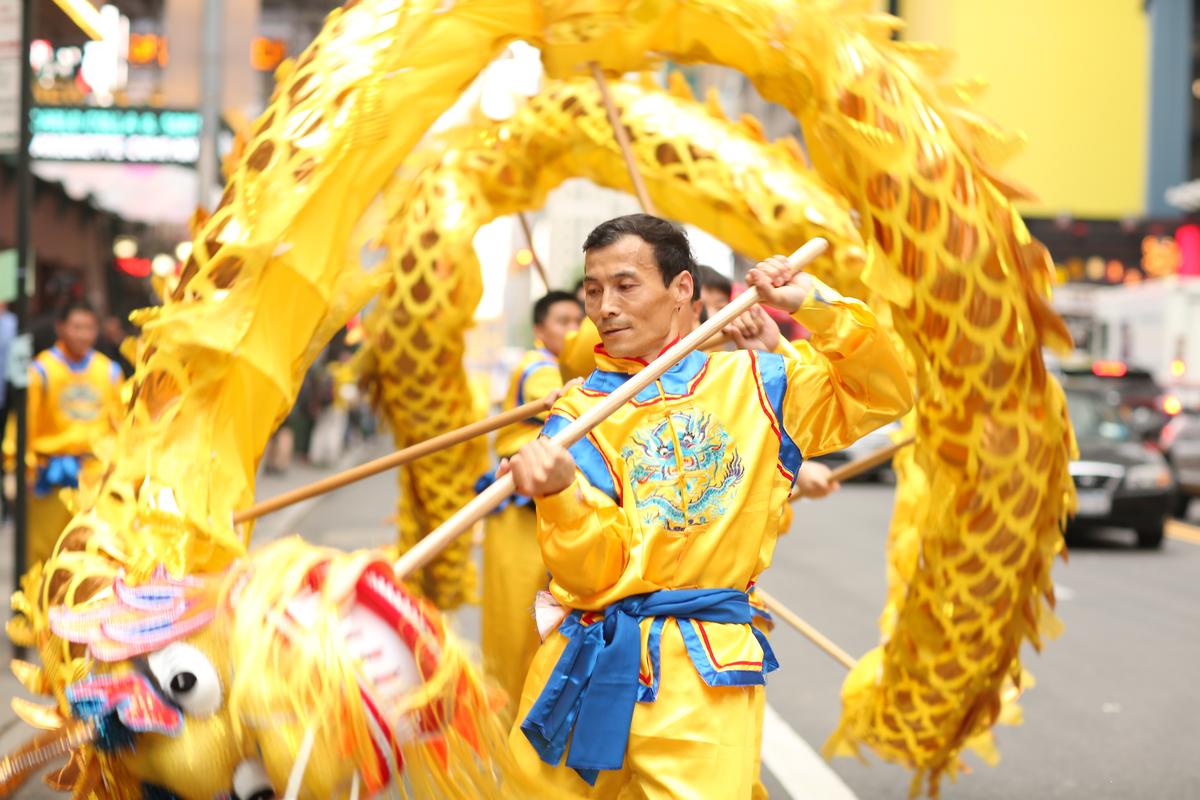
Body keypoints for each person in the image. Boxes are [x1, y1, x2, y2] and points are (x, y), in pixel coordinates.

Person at [502, 214, 911, 798]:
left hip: (705, 672)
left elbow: (883, 392)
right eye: (593, 290)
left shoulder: (759, 384)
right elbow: (593, 571)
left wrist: (812, 304)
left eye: (625, 285)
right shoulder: (576, 415)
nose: (604, 307)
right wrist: (560, 493)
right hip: (586, 662)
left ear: (682, 290)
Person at [479, 289, 583, 709]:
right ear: (540, 329)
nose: (573, 330)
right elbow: (567, 405)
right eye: (563, 322)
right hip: (520, 514)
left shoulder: (562, 370)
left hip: (554, 514)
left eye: (579, 321)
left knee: (547, 634)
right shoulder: (537, 367)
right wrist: (579, 394)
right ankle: (500, 738)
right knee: (516, 632)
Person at [4, 301, 122, 570]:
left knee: (92, 559)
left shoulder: (109, 372)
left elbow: (121, 429)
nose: (83, 334)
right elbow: (22, 427)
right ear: (61, 328)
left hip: (96, 479)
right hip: (49, 479)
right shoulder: (40, 371)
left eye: (89, 328)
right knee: (43, 557)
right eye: (77, 327)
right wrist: (20, 468)